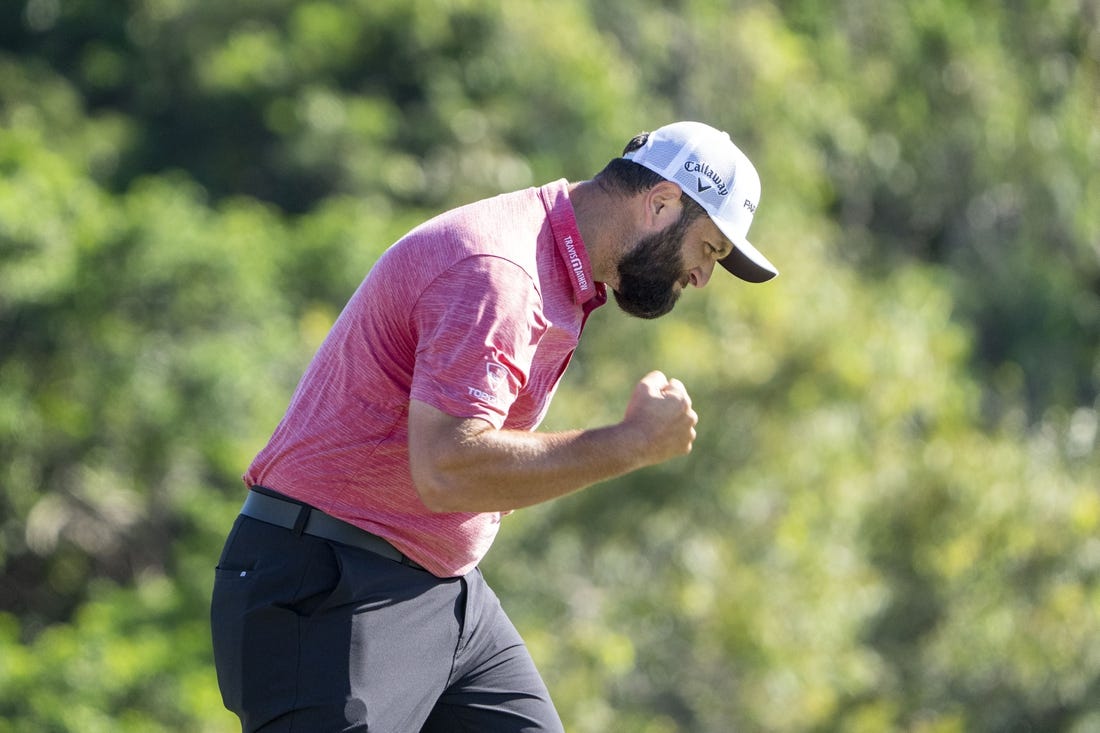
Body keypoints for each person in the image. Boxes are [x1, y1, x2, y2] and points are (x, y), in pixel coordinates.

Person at [210, 120, 777, 732]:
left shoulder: (561, 269)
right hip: (327, 586)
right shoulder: (499, 273)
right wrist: (630, 444)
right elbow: (449, 471)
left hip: (439, 588)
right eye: (710, 248)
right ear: (662, 204)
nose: (702, 277)